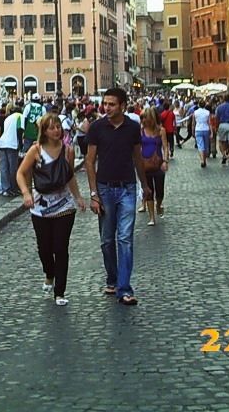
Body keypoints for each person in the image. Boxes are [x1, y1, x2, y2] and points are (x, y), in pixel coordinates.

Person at [84, 87, 148, 306]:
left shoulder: (133, 128)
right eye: (105, 104)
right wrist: (94, 194)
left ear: (122, 106)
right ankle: (112, 279)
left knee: (125, 239)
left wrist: (145, 186)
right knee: (107, 240)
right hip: (104, 189)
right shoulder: (96, 128)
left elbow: (137, 158)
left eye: (111, 104)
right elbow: (89, 161)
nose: (106, 108)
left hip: (128, 188)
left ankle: (124, 288)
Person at [16, 112, 85, 306]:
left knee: (60, 248)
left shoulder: (68, 151)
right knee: (44, 248)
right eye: (52, 127)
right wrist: (26, 193)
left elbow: (69, 175)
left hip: (64, 205)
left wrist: (78, 197)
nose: (56, 130)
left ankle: (60, 292)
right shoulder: (35, 150)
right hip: (40, 205)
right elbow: (21, 173)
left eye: (58, 127)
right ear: (44, 131)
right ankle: (49, 273)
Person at [140, 106, 169, 226]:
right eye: (142, 118)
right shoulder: (140, 131)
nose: (143, 120)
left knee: (160, 191)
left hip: (158, 164)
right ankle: (152, 217)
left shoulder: (161, 131)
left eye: (145, 118)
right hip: (145, 164)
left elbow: (165, 146)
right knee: (148, 191)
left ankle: (159, 204)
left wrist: (165, 161)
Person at [0, 103, 23, 198]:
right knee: (13, 168)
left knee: (4, 167)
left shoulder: (8, 118)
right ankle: (13, 188)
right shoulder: (20, 116)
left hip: (2, 143)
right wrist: (21, 143)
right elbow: (19, 130)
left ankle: (5, 189)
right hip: (12, 144)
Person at [212, 94, 229, 166]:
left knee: (221, 141)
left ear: (223, 99)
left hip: (222, 124)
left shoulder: (219, 107)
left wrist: (216, 127)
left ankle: (224, 155)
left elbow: (217, 118)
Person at [192, 100, 213, 168]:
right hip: (206, 129)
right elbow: (209, 123)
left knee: (200, 146)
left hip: (198, 129)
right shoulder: (207, 112)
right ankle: (204, 159)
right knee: (206, 146)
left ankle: (202, 160)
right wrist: (211, 132)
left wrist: (193, 130)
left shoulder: (195, 112)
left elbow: (193, 123)